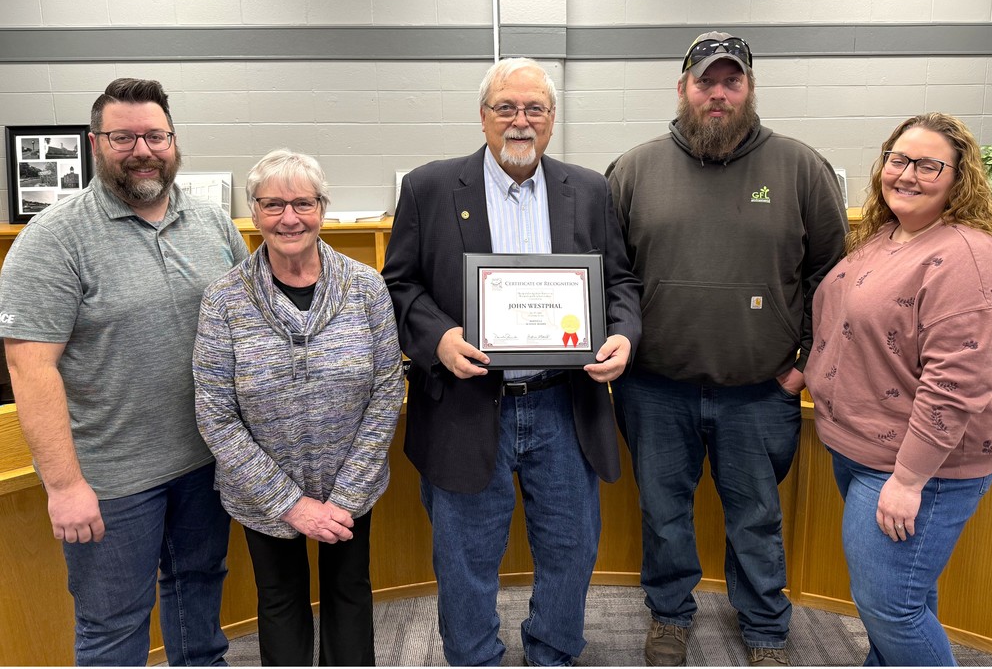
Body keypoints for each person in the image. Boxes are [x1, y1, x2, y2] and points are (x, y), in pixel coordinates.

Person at [381, 57, 642, 667]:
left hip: (563, 403)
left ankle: (552, 653)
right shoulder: (430, 187)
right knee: (465, 556)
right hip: (469, 405)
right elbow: (398, 286)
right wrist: (441, 338)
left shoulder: (590, 189)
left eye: (535, 109)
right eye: (506, 108)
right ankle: (474, 658)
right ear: (483, 116)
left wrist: (624, 336)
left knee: (571, 550)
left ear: (552, 120)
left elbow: (621, 283)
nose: (520, 121)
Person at [605, 32, 849, 666]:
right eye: (705, 81)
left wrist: (802, 367)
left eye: (731, 81)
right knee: (662, 515)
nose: (718, 93)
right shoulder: (633, 169)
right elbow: (612, 276)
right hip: (654, 389)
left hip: (761, 392)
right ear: (682, 86)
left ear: (749, 89)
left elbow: (832, 276)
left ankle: (767, 627)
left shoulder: (801, 167)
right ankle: (669, 616)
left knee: (756, 518)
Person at [0, 78, 249, 665]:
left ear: (174, 139)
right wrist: (63, 486)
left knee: (199, 594)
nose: (142, 149)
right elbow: (29, 366)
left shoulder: (214, 224)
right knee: (113, 626)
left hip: (205, 462)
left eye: (154, 135)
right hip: (109, 481)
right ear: (95, 144)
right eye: (123, 137)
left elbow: (250, 323)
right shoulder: (53, 239)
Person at [805, 112, 992, 666]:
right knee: (905, 598)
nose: (908, 174)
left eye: (929, 165)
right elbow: (851, 326)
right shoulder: (886, 237)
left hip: (917, 465)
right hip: (862, 447)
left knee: (890, 608)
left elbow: (956, 383)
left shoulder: (967, 258)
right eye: (899, 160)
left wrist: (908, 478)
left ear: (958, 178)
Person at [193, 150, 404, 666]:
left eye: (302, 203)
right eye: (273, 205)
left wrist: (347, 494)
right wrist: (289, 503)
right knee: (281, 602)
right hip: (263, 497)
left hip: (349, 490)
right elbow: (215, 412)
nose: (289, 218)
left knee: (350, 593)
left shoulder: (365, 287)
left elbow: (386, 390)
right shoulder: (224, 299)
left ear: (322, 208)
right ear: (255, 212)